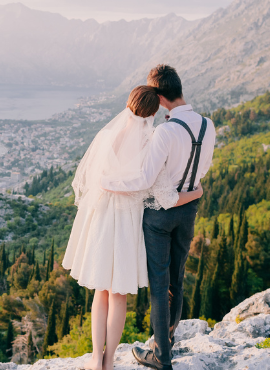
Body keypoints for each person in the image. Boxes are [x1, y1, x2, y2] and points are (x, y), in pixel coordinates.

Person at [62, 85, 203, 370]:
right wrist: (196, 193)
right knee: (118, 294)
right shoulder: (151, 142)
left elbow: (90, 179)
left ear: (129, 104)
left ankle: (94, 357)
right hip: (127, 222)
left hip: (100, 218)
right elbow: (164, 194)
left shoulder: (105, 136)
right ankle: (110, 360)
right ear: (152, 113)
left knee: (100, 290)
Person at [103, 65, 216, 370]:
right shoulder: (208, 125)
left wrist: (108, 183)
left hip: (159, 215)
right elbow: (201, 170)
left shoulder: (165, 132)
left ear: (159, 96)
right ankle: (165, 341)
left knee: (158, 286)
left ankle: (161, 356)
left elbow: (144, 179)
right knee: (176, 280)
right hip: (188, 209)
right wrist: (192, 192)